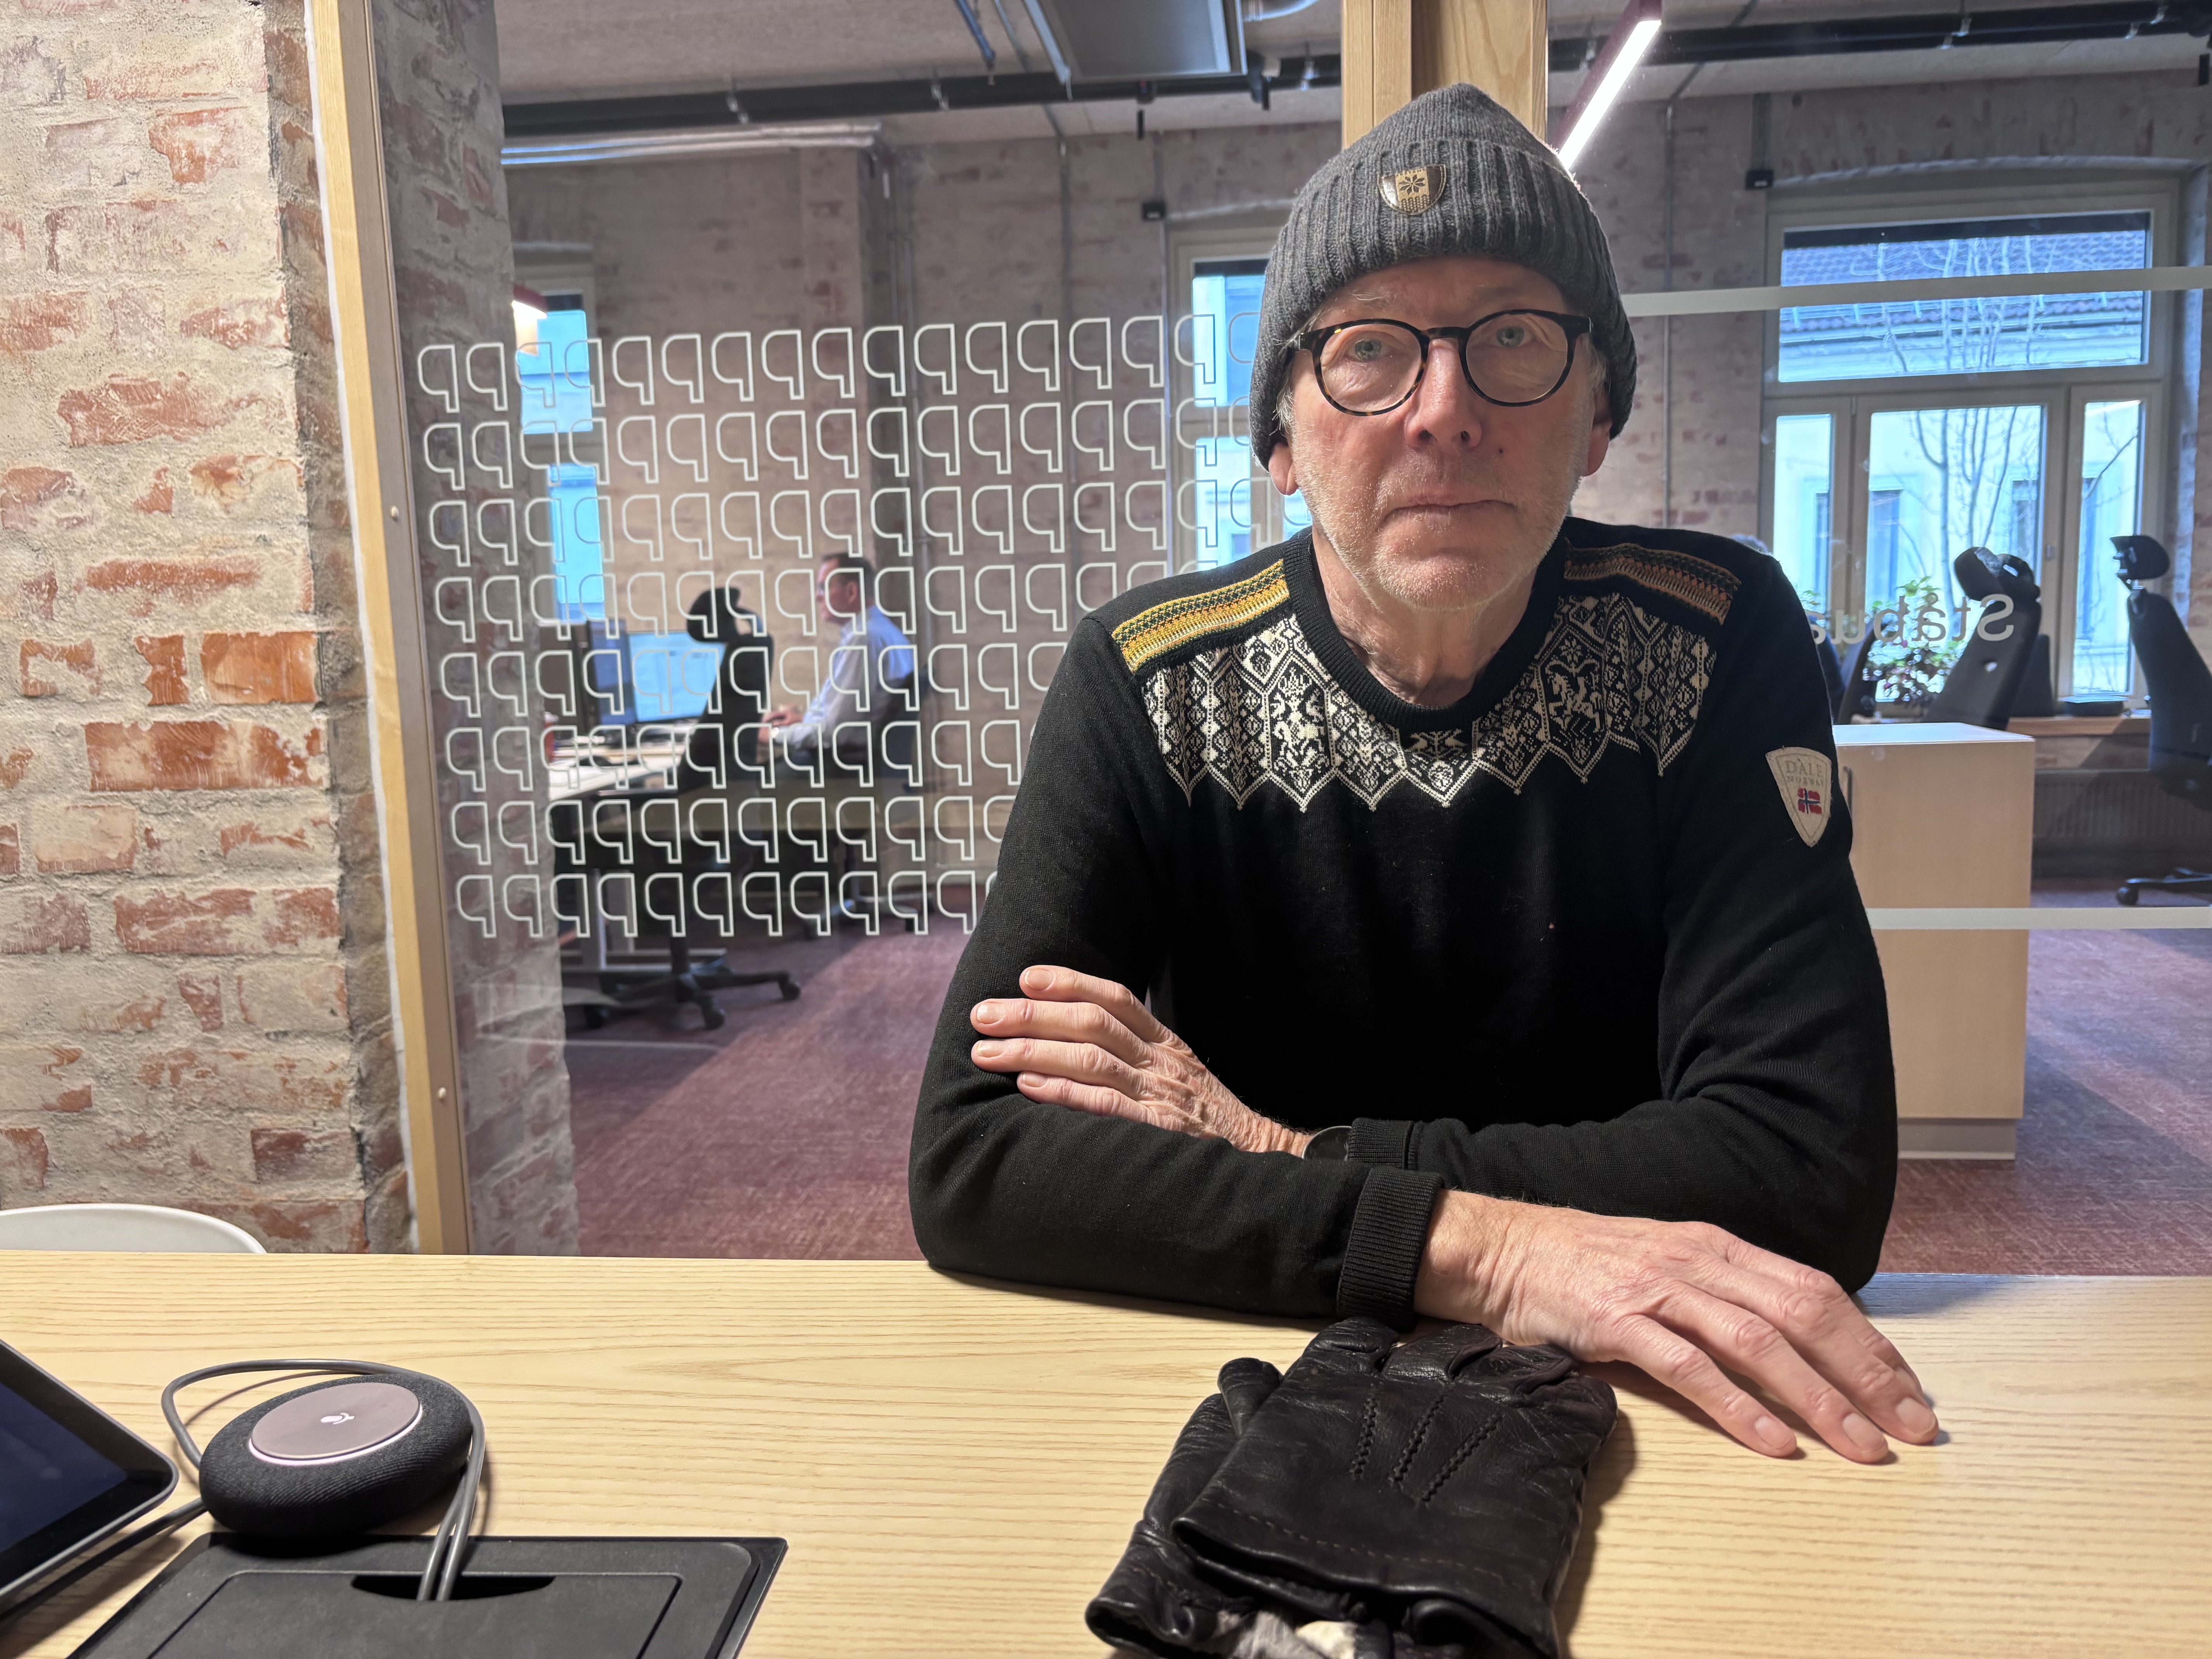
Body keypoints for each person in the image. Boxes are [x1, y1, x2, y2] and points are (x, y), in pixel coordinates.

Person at [908, 84, 1936, 1466]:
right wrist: (1494, 1251)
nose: (1442, 411)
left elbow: (1808, 1169)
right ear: (1279, 441)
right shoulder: (1148, 680)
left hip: (1649, 1400)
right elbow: (978, 1160)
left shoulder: (1712, 638)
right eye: (1368, 350)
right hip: (1252, 1391)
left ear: (1596, 415)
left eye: (1511, 339)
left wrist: (1278, 1158)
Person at [747, 552, 914, 770]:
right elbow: (843, 718)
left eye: (823, 588)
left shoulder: (863, 640)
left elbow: (834, 732)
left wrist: (773, 734)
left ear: (851, 592)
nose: (818, 597)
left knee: (747, 779)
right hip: (853, 756)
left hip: (841, 761)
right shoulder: (882, 631)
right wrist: (803, 721)